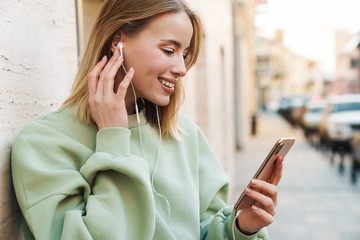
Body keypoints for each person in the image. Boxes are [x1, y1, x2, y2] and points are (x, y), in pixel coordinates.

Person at [11, 0, 283, 239]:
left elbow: (203, 229)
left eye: (184, 54)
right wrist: (114, 141)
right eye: (169, 50)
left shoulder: (184, 133)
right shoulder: (43, 143)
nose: (181, 68)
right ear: (118, 43)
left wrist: (242, 227)